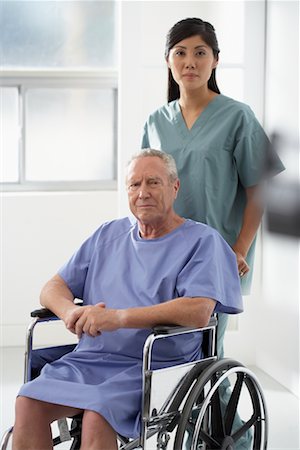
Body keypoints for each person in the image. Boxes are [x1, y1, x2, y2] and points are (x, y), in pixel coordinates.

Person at [12, 150, 243, 450]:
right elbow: (52, 288)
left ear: (175, 187)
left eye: (153, 183)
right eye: (134, 185)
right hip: (91, 359)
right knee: (28, 401)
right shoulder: (108, 235)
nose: (142, 193)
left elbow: (198, 311)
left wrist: (118, 318)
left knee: (98, 412)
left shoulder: (202, 241)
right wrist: (70, 312)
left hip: (155, 365)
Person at [141, 17, 285, 357]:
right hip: (165, 251)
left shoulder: (237, 116)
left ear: (215, 60)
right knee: (165, 349)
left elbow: (259, 189)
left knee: (206, 349)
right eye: (180, 52)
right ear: (168, 61)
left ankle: (217, 412)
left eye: (200, 52)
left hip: (216, 253)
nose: (190, 62)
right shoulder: (156, 121)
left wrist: (239, 248)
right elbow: (144, 190)